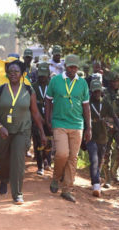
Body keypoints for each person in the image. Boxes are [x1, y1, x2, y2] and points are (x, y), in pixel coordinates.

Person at [0, 60, 46, 204]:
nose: (13, 74)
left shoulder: (28, 90)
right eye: (10, 71)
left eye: (16, 71)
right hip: (3, 131)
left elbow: (35, 113)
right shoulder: (0, 89)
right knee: (3, 160)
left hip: (22, 130)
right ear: (7, 74)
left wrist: (42, 132)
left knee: (18, 161)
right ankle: (3, 178)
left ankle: (17, 193)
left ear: (22, 74)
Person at [45, 54, 91, 203]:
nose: (73, 69)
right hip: (59, 123)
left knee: (73, 157)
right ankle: (56, 177)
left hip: (77, 124)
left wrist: (88, 128)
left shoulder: (83, 83)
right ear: (65, 66)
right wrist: (48, 120)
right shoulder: (55, 81)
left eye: (75, 67)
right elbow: (48, 101)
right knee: (62, 154)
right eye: (70, 66)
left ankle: (67, 189)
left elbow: (86, 106)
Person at [87, 79, 119, 197]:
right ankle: (96, 184)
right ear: (91, 91)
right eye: (94, 91)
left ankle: (95, 178)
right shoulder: (87, 103)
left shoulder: (105, 103)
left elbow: (114, 116)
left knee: (100, 160)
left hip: (103, 136)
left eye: (98, 91)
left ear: (101, 91)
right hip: (90, 135)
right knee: (94, 159)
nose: (96, 93)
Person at [32, 62, 53, 175]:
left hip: (49, 119)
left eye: (44, 75)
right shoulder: (33, 87)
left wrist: (49, 119)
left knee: (48, 142)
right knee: (38, 143)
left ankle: (47, 161)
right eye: (40, 75)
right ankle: (40, 166)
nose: (42, 77)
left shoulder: (52, 85)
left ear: (48, 74)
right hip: (36, 119)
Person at [102, 71, 119, 188]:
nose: (115, 83)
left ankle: (115, 172)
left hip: (118, 126)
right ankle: (107, 178)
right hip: (106, 126)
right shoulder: (103, 93)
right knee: (106, 152)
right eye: (113, 81)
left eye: (117, 81)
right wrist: (107, 123)